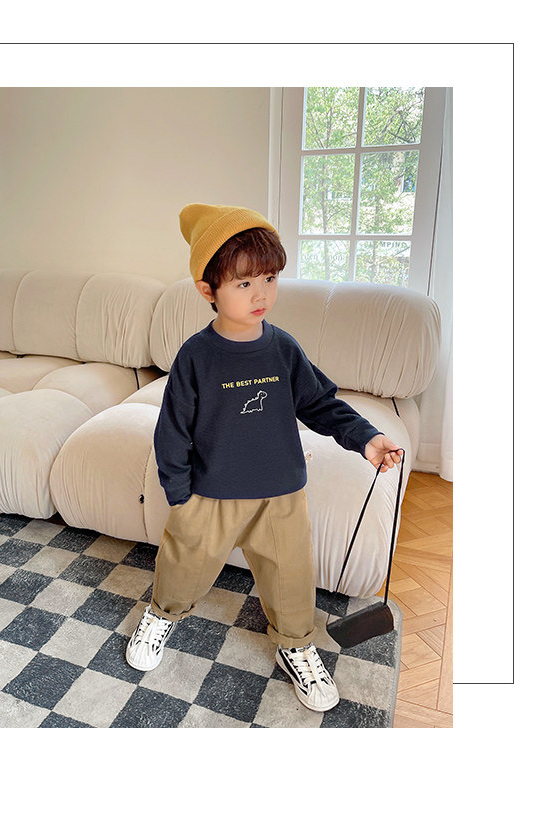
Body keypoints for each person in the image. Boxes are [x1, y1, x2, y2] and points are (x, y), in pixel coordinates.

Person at [125, 203, 403, 712]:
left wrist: (366, 438)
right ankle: (161, 614)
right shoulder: (196, 356)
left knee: (290, 577)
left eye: (270, 279)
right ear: (208, 290)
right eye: (244, 283)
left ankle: (295, 644)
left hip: (281, 493)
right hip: (210, 493)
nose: (261, 295)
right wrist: (180, 495)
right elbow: (173, 431)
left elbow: (320, 403)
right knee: (184, 564)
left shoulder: (283, 349)